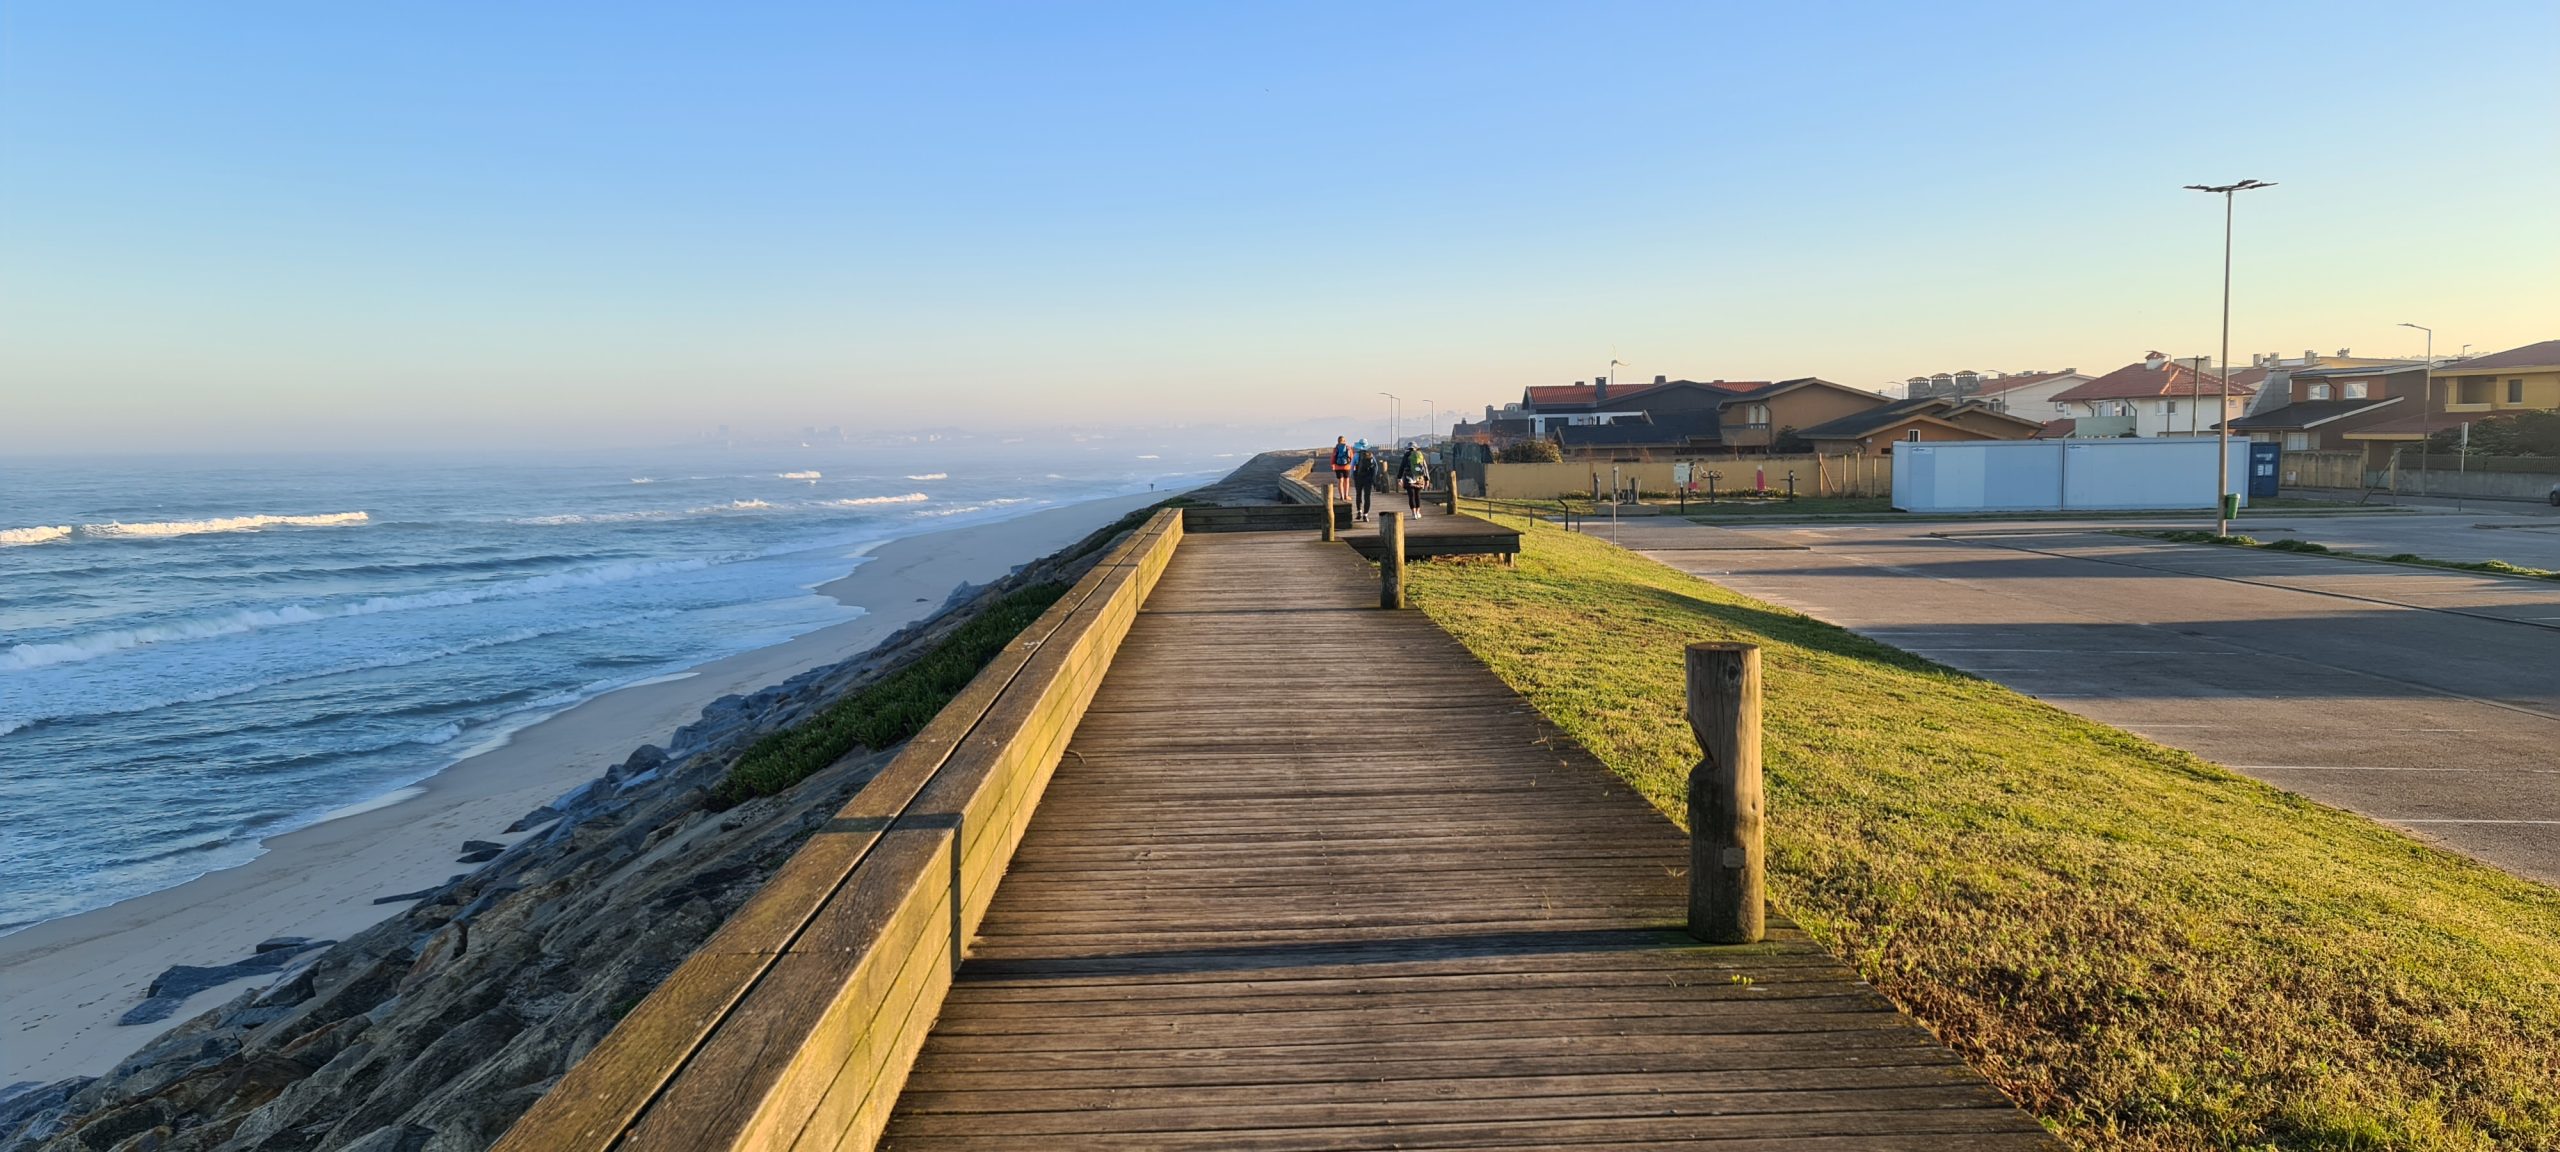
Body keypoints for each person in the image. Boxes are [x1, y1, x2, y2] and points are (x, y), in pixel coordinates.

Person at [1396, 443, 1430, 511]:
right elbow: (1425, 467)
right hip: (1419, 477)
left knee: (1411, 495)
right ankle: (1418, 512)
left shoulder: (1406, 455)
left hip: (1409, 478)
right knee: (1417, 495)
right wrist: (1427, 479)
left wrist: (1399, 478)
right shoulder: (1420, 455)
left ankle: (1413, 513)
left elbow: (1402, 467)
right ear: (1416, 448)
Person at [1350, 439, 1374, 520]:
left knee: (1358, 494)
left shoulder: (1356, 455)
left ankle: (1359, 511)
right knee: (1367, 496)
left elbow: (1352, 466)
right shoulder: (1370, 455)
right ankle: (1365, 515)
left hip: (1359, 476)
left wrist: (1352, 475)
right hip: (1368, 478)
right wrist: (1373, 477)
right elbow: (1376, 467)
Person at [1330, 436, 1353, 501]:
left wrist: (1332, 465)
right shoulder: (1348, 448)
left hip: (1337, 467)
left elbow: (1333, 458)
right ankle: (1346, 496)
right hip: (1347, 466)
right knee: (1347, 481)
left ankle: (1341, 496)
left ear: (1338, 441)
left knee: (1340, 481)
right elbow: (1351, 457)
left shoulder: (1336, 448)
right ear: (1344, 441)